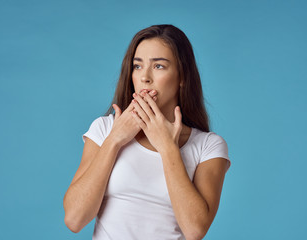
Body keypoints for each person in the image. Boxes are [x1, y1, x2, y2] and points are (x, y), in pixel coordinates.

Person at [63, 24, 231, 240]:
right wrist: (115, 140)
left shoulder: (209, 146)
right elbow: (74, 220)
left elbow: (195, 230)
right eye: (137, 66)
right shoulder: (104, 129)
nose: (145, 77)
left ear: (182, 77)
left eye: (159, 66)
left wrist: (167, 147)